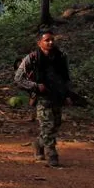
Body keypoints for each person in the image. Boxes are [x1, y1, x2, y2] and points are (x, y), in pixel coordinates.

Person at [14, 28, 73, 167]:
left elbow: (66, 78)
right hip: (42, 97)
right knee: (47, 125)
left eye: (52, 40)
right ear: (39, 42)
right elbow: (18, 78)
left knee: (56, 124)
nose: (50, 42)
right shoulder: (32, 58)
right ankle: (52, 154)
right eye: (47, 40)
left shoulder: (60, 57)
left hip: (57, 95)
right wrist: (35, 86)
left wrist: (68, 95)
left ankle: (38, 144)